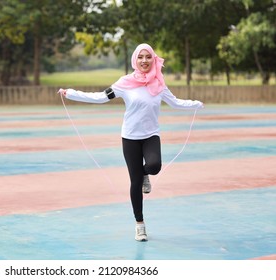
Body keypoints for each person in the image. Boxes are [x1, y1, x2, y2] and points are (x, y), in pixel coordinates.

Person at [57, 43, 204, 242]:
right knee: (134, 183)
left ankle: (145, 175)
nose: (145, 60)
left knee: (154, 166)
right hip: (130, 138)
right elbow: (101, 97)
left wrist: (195, 104)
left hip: (151, 135)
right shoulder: (124, 83)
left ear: (153, 59)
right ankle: (140, 224)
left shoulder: (159, 84)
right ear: (135, 59)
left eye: (148, 57)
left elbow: (176, 102)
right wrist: (71, 93)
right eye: (141, 57)